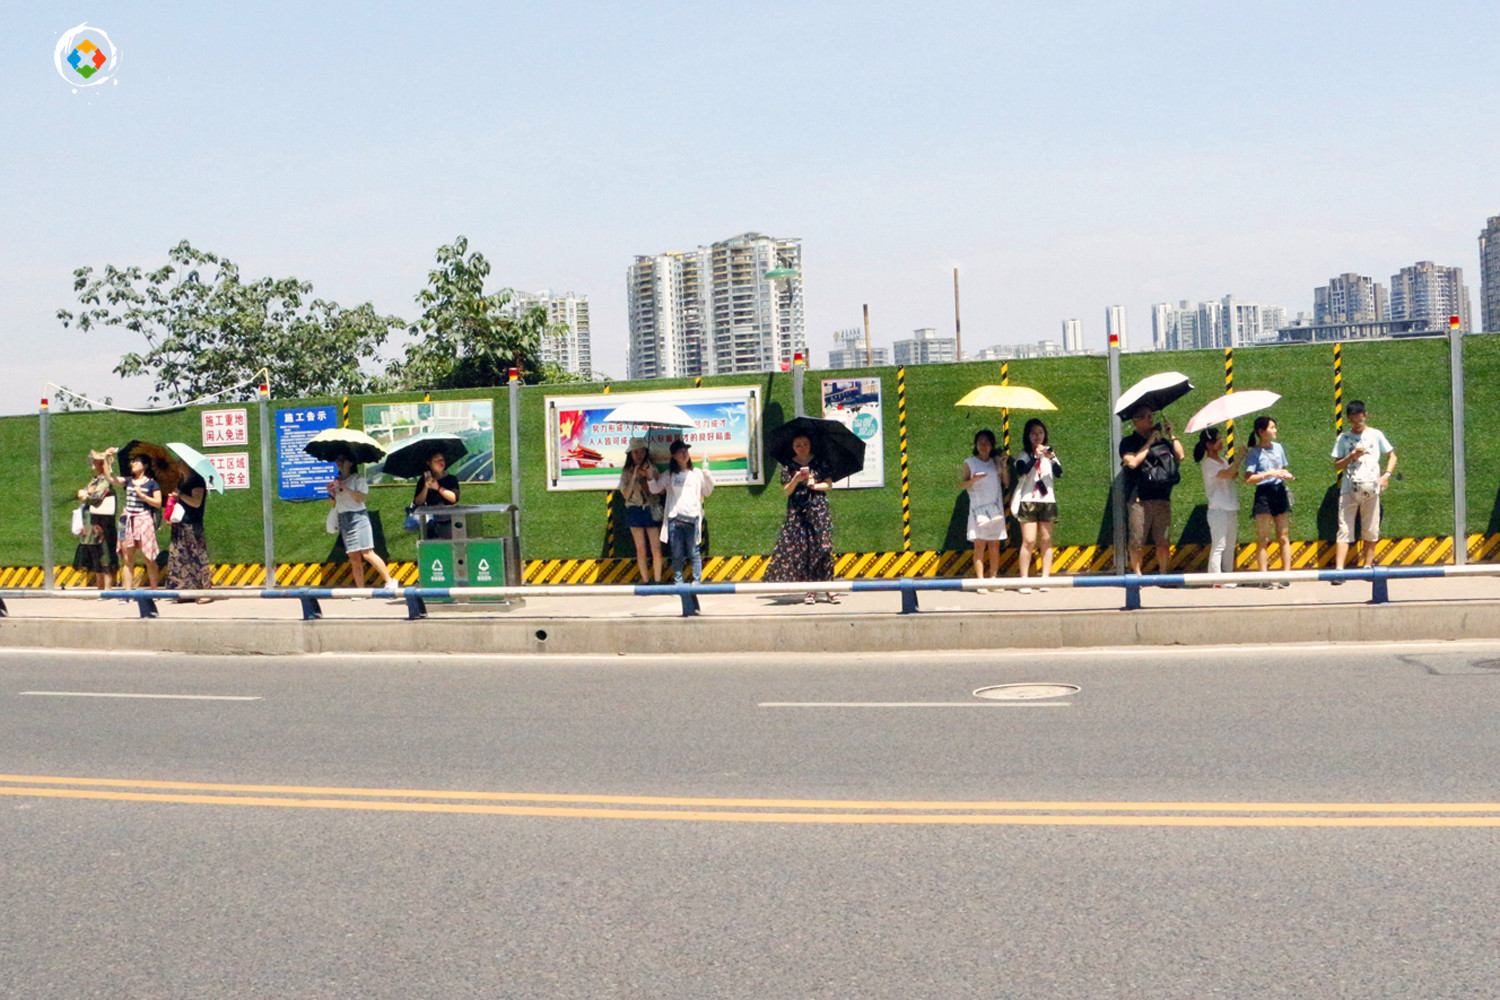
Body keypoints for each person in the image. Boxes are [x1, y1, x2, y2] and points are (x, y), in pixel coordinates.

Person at [765, 433, 838, 604]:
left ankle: (829, 587)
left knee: (824, 547)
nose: (801, 447)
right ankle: (811, 590)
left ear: (810, 445)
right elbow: (786, 491)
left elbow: (829, 484)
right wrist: (796, 479)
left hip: (818, 509)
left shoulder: (820, 462)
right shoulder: (788, 466)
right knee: (805, 550)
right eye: (798, 444)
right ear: (793, 447)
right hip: (798, 511)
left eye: (805, 443)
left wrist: (814, 484)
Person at [1331, 400, 1398, 579]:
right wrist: (1351, 456)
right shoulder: (1343, 438)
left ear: (1365, 415)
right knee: (1344, 527)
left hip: (1372, 486)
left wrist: (1386, 475)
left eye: (1359, 417)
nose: (1356, 421)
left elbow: (1392, 455)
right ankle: (1339, 570)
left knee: (1370, 527)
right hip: (1349, 488)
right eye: (1352, 419)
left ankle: (1368, 567)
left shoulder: (1376, 434)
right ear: (1348, 418)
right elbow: (1337, 465)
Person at [1119, 403, 1185, 574]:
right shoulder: (1128, 442)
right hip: (1139, 498)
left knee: (1163, 540)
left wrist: (1172, 434)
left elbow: (1180, 456)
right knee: (1136, 540)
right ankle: (1137, 574)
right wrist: (1149, 442)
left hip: (1162, 496)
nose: (1150, 419)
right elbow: (1132, 462)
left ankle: (1163, 572)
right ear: (1136, 421)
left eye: (1151, 416)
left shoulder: (1162, 442)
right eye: (1146, 416)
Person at [329, 453, 398, 591]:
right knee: (353, 556)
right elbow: (337, 502)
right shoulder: (336, 480)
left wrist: (346, 488)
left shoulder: (358, 479)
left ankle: (390, 581)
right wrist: (331, 492)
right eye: (337, 460)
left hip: (358, 517)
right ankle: (361, 590)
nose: (339, 463)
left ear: (351, 463)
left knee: (367, 552)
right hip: (344, 518)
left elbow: (362, 498)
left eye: (343, 460)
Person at [650, 440, 715, 585]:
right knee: (677, 554)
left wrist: (708, 476)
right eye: (680, 451)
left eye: (686, 450)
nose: (684, 454)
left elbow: (708, 491)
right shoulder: (669, 475)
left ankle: (697, 581)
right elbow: (655, 489)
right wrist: (649, 477)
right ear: (673, 456)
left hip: (693, 518)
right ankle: (678, 582)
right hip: (675, 519)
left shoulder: (697, 473)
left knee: (694, 552)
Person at [1244, 416, 1295, 587]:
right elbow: (1249, 478)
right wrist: (1269, 474)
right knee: (1263, 536)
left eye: (1275, 427)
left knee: (1283, 535)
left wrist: (1285, 474)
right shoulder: (1253, 452)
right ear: (1261, 432)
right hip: (1264, 494)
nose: (1275, 430)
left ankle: (1286, 575)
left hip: (1279, 491)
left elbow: (1282, 468)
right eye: (1272, 427)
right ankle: (1263, 577)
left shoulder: (1279, 448)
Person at [1012, 419, 1061, 594]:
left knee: (1046, 539)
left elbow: (1059, 473)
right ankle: (1024, 579)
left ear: (1045, 434)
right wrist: (1035, 456)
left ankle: (1045, 578)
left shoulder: (1050, 453)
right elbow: (1022, 470)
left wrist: (1051, 457)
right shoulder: (1024, 454)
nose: (1037, 436)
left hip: (1047, 500)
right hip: (1028, 500)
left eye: (1040, 432)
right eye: (1033, 433)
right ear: (1028, 436)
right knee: (1029, 540)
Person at [958, 429, 1010, 593]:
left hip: (995, 509)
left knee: (994, 545)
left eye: (987, 442)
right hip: (978, 509)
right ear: (975, 444)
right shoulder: (969, 462)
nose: (984, 446)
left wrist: (1004, 465)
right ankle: (980, 582)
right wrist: (972, 480)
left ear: (992, 445)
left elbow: (1006, 483)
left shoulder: (995, 462)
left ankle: (993, 580)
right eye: (980, 442)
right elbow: (960, 485)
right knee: (979, 545)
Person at [1194, 428, 1243, 585]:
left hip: (1230, 507)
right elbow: (1227, 474)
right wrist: (1239, 458)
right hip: (1218, 510)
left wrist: (1234, 462)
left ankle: (1227, 577)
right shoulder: (1208, 464)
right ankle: (1215, 579)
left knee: (1229, 545)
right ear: (1209, 444)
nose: (1222, 442)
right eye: (1218, 439)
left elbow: (1233, 473)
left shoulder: (1223, 460)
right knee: (1219, 545)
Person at [109, 454, 162, 590]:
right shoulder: (129, 481)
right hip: (127, 520)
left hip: (143, 519)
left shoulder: (152, 483)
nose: (133, 464)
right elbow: (110, 479)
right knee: (127, 558)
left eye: (137, 462)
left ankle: (154, 590)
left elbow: (158, 502)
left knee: (149, 558)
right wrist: (106, 460)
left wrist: (142, 495)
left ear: (145, 466)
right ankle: (128, 592)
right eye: (133, 462)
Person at [165, 460, 214, 602]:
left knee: (196, 556)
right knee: (180, 558)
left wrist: (180, 494)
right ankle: (184, 591)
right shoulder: (182, 481)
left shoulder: (197, 481)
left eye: (181, 462)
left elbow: (196, 502)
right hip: (180, 524)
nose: (178, 464)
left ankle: (204, 591)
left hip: (192, 524)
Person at [617, 437, 664, 583]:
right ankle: (646, 581)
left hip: (651, 509)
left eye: (642, 451)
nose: (639, 454)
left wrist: (647, 477)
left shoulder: (652, 469)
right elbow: (626, 494)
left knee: (656, 548)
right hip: (634, 509)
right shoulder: (626, 472)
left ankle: (657, 581)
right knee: (641, 549)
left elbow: (658, 491)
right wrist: (634, 477)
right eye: (635, 452)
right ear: (630, 454)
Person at [72, 448, 118, 590]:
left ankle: (107, 588)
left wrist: (84, 495)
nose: (93, 462)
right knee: (96, 556)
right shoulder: (96, 479)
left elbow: (95, 498)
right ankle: (100, 587)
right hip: (92, 524)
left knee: (104, 555)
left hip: (101, 524)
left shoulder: (105, 480)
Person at [412, 450, 460, 540]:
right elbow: (418, 501)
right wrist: (426, 487)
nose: (440, 462)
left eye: (442, 459)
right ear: (429, 463)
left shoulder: (451, 479)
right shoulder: (423, 481)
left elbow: (454, 498)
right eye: (436, 460)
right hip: (430, 521)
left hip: (448, 520)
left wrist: (438, 488)